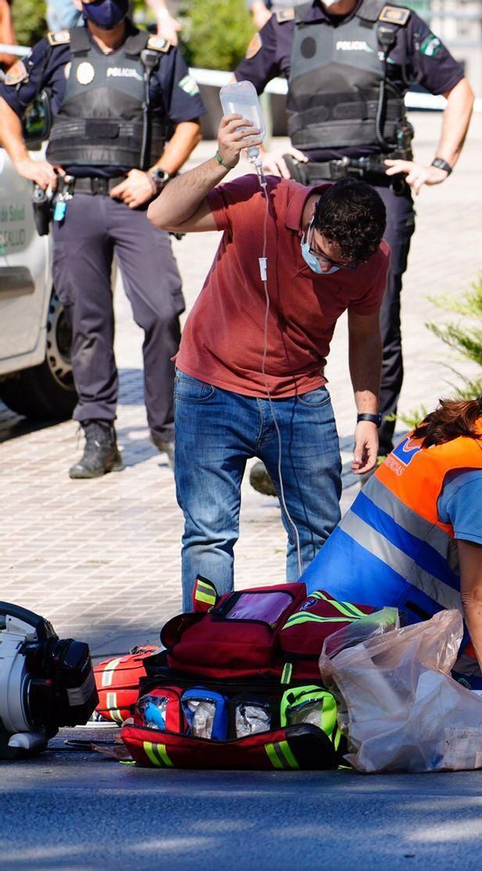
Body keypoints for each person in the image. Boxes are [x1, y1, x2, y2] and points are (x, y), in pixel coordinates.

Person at [234, 0, 476, 460]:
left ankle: (378, 443)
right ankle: (281, 446)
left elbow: (457, 87)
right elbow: (239, 88)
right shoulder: (286, 26)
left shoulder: (396, 26)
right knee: (287, 317)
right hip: (308, 191)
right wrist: (259, 153)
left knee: (380, 319)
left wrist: (441, 162)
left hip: (377, 190)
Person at [146, 114, 389, 609]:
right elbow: (162, 216)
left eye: (343, 265)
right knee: (209, 534)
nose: (329, 269)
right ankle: (206, 649)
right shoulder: (262, 200)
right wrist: (220, 161)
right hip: (211, 389)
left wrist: (368, 416)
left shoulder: (372, 259)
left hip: (300, 398)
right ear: (314, 216)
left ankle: (302, 647)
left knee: (317, 534)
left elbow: (365, 336)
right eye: (324, 254)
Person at [0, 0, 201, 479]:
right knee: (87, 323)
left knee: (161, 311)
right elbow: (6, 103)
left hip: (137, 200)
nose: (107, 1)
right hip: (77, 202)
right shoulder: (57, 50)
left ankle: (169, 430)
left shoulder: (157, 55)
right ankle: (98, 434)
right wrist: (23, 160)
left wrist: (156, 176)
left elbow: (189, 125)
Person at [297, 364, 482, 691]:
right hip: (362, 626)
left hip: (318, 597)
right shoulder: (478, 477)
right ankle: (467, 687)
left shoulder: (441, 425)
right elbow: (476, 596)